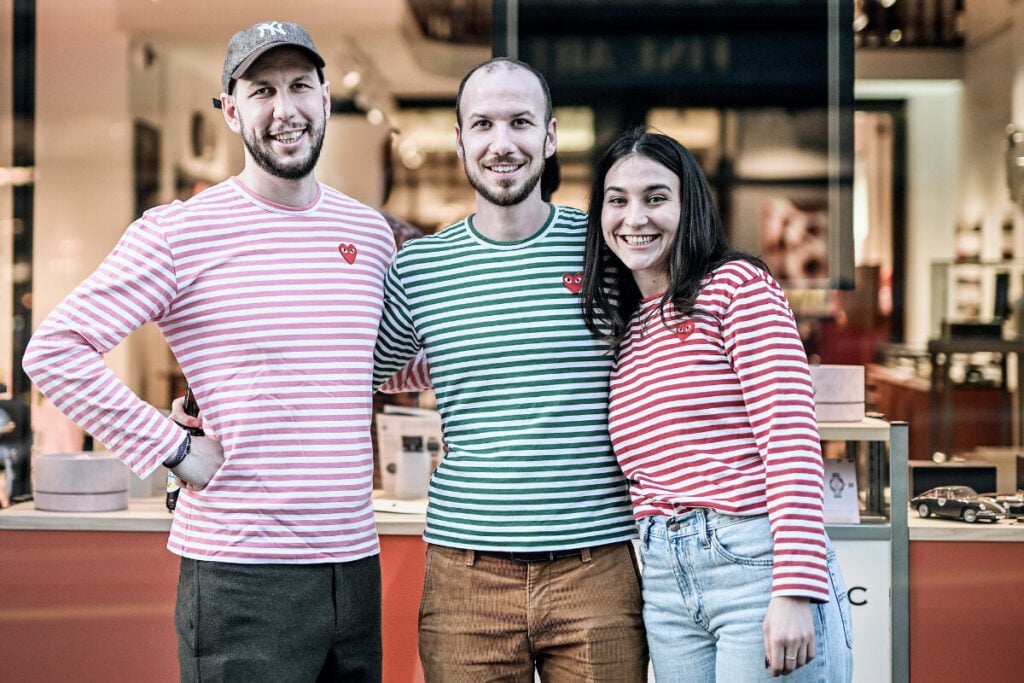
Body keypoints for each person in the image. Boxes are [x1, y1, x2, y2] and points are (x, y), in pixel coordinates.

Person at [23, 21, 395, 681]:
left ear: (327, 99)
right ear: (230, 110)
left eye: (300, 86)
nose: (286, 108)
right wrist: (175, 449)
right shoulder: (179, 231)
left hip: (354, 568)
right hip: (241, 574)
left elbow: (385, 366)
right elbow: (56, 349)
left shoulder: (366, 232)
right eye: (261, 90)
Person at [370, 58, 648, 681]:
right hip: (466, 580)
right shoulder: (419, 271)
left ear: (549, 137)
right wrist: (217, 400)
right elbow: (356, 373)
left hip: (595, 574)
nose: (503, 143)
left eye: (521, 122)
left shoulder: (605, 253)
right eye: (484, 124)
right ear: (461, 140)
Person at [579, 127, 854, 681]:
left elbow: (790, 436)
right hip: (662, 579)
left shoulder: (736, 287)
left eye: (656, 198)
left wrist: (797, 588)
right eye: (618, 201)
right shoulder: (629, 323)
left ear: (689, 205)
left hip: (755, 564)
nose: (635, 218)